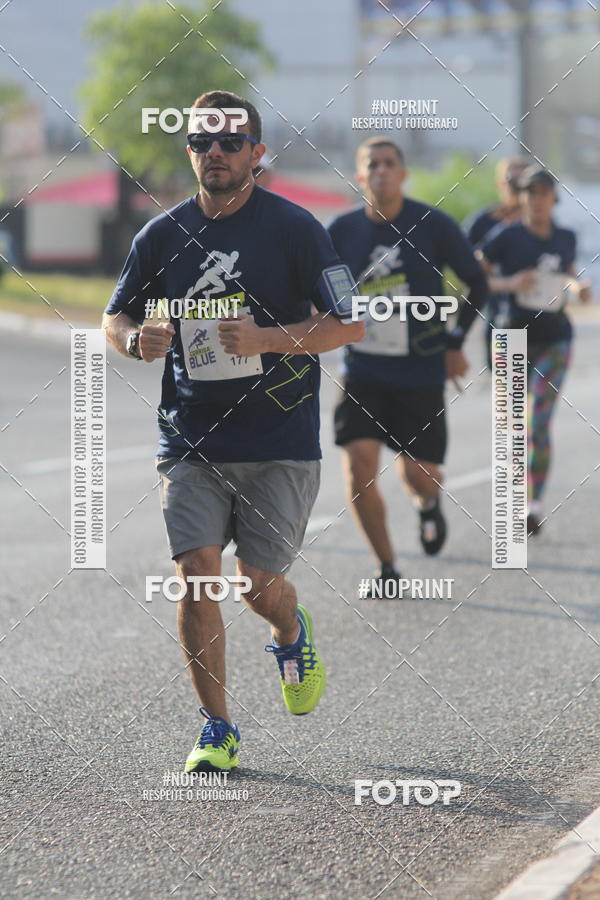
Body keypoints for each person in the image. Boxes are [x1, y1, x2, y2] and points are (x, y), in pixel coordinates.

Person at [103, 90, 365, 773]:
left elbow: (349, 324)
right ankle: (217, 727)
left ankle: (289, 627)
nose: (213, 152)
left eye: (228, 141)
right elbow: (116, 317)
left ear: (256, 152)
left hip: (279, 439)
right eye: (200, 142)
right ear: (189, 151)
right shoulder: (159, 236)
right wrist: (137, 342)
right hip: (190, 437)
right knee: (197, 575)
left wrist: (264, 337)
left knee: (259, 583)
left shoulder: (298, 229)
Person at [327, 137, 488, 593]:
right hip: (362, 369)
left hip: (419, 371)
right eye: (371, 164)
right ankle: (387, 567)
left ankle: (427, 503)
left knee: (416, 474)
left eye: (389, 163)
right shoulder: (340, 232)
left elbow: (477, 282)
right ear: (360, 176)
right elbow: (315, 289)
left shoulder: (433, 224)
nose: (380, 171)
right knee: (359, 464)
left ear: (403, 173)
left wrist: (455, 339)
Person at [481, 165, 591, 535]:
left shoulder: (566, 237)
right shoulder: (505, 237)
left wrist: (580, 288)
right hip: (513, 336)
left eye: (543, 192)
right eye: (529, 192)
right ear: (522, 197)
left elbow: (569, 272)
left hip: (555, 337)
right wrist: (509, 282)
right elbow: (476, 277)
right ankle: (512, 499)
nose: (536, 199)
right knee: (512, 427)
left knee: (537, 422)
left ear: (553, 198)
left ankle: (534, 503)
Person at [463, 157, 528, 369]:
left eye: (524, 183)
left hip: (545, 324)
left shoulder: (542, 225)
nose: (518, 189)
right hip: (502, 315)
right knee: (509, 396)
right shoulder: (483, 223)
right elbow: (468, 272)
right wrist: (508, 283)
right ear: (500, 184)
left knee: (539, 398)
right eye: (512, 181)